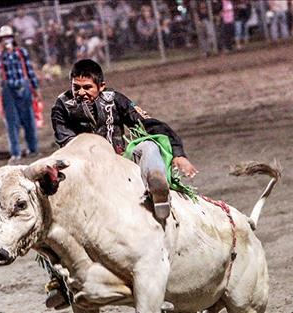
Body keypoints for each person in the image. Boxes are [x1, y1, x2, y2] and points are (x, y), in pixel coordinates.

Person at [47, 58, 198, 310]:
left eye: (87, 87)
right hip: (83, 172)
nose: (82, 93)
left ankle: (158, 191)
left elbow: (149, 124)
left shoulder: (116, 101)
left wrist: (179, 154)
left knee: (148, 145)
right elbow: (67, 142)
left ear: (101, 86)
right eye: (77, 87)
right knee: (50, 217)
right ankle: (59, 281)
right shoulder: (61, 107)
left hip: (120, 165)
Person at [0, 25, 40, 165]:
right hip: (8, 89)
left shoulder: (21, 52)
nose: (7, 41)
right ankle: (16, 152)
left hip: (24, 87)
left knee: (29, 119)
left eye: (9, 38)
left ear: (13, 38)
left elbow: (29, 70)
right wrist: (0, 52)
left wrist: (35, 88)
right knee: (12, 122)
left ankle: (33, 149)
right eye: (4, 38)